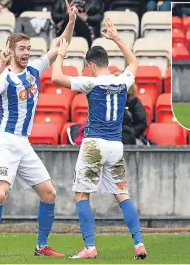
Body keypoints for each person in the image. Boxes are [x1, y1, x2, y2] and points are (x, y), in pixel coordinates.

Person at [0, 0, 78, 258]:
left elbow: (58, 47)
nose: (26, 53)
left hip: (24, 143)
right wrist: (0, 65)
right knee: (0, 194)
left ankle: (41, 246)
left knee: (49, 193)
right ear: (10, 52)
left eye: (28, 48)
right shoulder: (5, 77)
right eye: (21, 49)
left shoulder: (34, 69)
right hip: (5, 141)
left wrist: (71, 22)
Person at [51, 18, 147, 259]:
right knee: (122, 195)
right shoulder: (123, 82)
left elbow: (55, 78)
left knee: (82, 195)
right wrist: (117, 38)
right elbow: (134, 62)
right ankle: (138, 244)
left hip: (94, 144)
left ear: (91, 65)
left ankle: (90, 247)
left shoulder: (91, 83)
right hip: (116, 145)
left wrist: (61, 54)